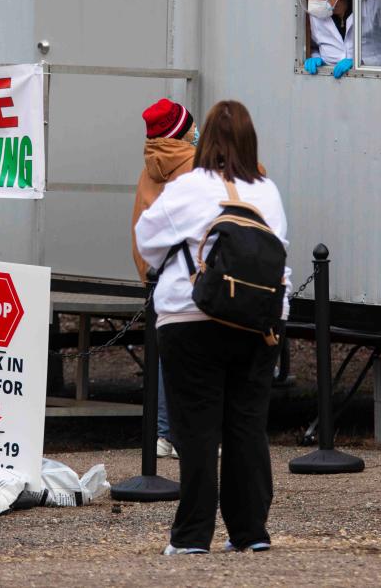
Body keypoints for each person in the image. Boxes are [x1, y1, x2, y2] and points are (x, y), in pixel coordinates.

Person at [134, 100, 291, 555]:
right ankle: (251, 533)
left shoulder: (187, 187)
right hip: (258, 324)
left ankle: (191, 537)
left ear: (204, 139)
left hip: (191, 318)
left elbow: (147, 240)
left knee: (196, 430)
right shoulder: (268, 191)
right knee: (247, 426)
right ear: (249, 140)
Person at [130, 98, 198, 460]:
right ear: (183, 131)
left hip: (155, 275)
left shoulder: (149, 168)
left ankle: (163, 433)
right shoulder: (194, 165)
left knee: (162, 354)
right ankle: (182, 433)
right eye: (192, 125)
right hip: (189, 278)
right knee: (192, 356)